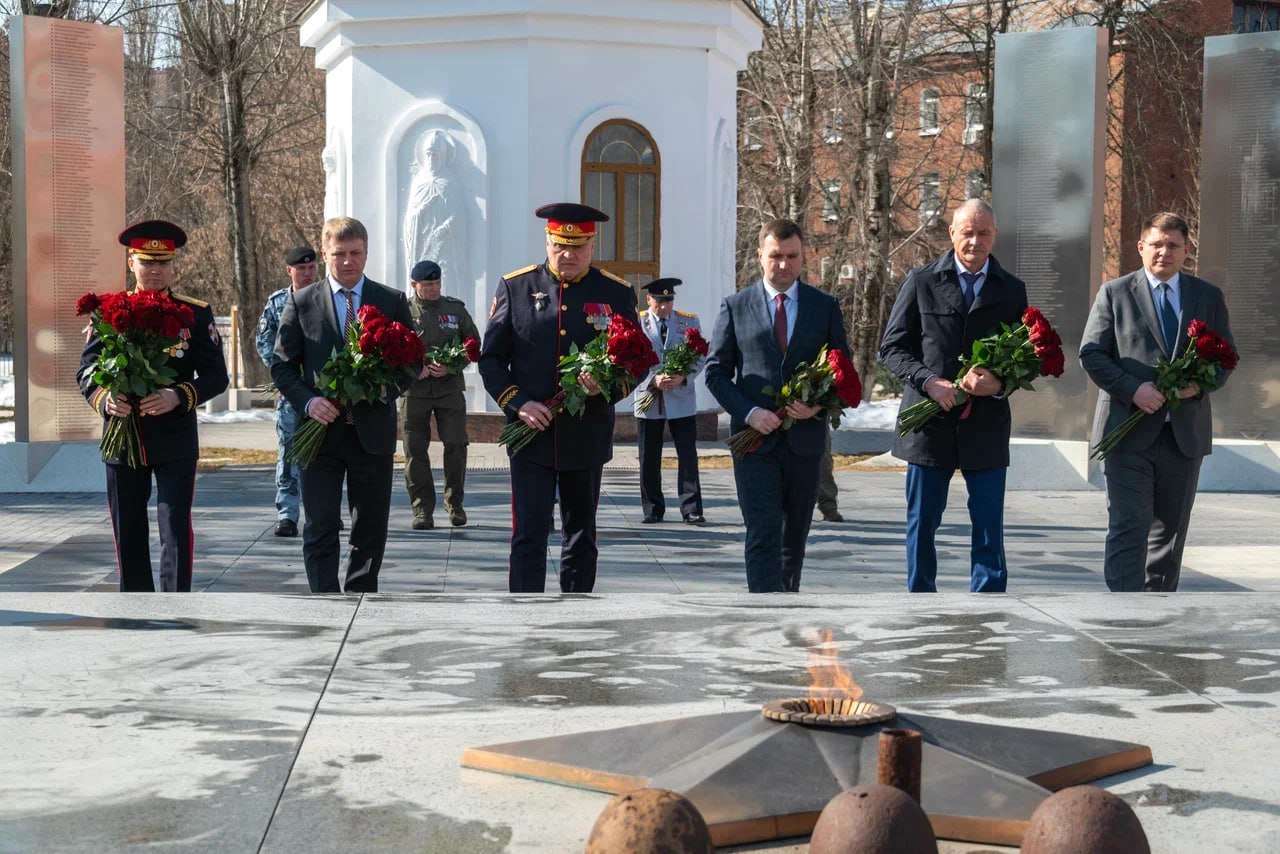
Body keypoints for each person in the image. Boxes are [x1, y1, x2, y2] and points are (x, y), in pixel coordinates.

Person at [478, 202, 641, 593]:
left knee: (581, 537)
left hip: (585, 435)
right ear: (548, 241)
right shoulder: (516, 287)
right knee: (528, 536)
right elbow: (492, 360)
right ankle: (524, 617)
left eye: (578, 246)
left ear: (591, 244)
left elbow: (637, 362)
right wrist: (518, 403)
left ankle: (576, 620)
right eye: (559, 245)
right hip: (531, 436)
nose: (568, 254)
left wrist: (607, 387)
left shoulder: (615, 293)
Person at [879, 198, 1028, 593]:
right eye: (967, 232)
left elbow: (1025, 359)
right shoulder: (922, 281)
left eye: (983, 233)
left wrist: (999, 384)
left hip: (985, 426)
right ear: (952, 233)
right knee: (923, 521)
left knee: (988, 524)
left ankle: (989, 602)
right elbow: (892, 348)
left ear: (995, 236)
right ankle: (920, 599)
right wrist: (928, 381)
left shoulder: (1012, 290)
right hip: (929, 425)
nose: (975, 241)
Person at [1080, 212, 1234, 592]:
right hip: (1127, 432)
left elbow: (1225, 357)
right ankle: (1122, 615)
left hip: (1183, 436)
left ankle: (1158, 621)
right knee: (1129, 524)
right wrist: (1133, 389)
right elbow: (1092, 354)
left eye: (1173, 245)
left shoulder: (1207, 297)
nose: (1164, 252)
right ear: (1141, 247)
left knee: (1170, 532)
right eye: (1157, 244)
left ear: (1186, 250)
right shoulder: (1115, 293)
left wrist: (1196, 386)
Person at [77, 220, 229, 592]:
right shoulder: (111, 311)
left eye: (163, 262)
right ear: (132, 263)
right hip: (124, 435)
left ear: (174, 265)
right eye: (147, 262)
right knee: (127, 525)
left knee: (175, 524)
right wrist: (103, 398)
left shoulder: (195, 314)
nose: (155, 270)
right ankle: (135, 603)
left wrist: (179, 395)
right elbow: (87, 371)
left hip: (174, 436)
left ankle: (176, 602)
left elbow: (216, 376)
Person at [705, 218, 850, 593]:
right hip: (754, 443)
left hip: (804, 444)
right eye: (775, 256)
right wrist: (749, 412)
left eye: (792, 256)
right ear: (760, 256)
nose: (783, 265)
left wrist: (818, 406)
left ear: (804, 257)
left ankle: (788, 611)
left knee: (794, 539)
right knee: (763, 531)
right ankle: (763, 613)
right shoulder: (736, 307)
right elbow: (716, 374)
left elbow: (842, 372)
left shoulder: (824, 307)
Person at [271, 216, 414, 593]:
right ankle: (324, 601)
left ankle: (360, 597)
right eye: (339, 254)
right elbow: (282, 366)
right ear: (325, 253)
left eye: (355, 253)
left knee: (369, 527)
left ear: (366, 253)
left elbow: (412, 361)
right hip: (319, 435)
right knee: (320, 524)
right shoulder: (302, 303)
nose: (348, 261)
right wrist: (309, 401)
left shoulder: (391, 301)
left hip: (372, 433)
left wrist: (384, 389)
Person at [402, 258, 480, 530]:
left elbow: (473, 344)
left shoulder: (454, 310)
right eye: (428, 285)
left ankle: (455, 503)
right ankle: (422, 509)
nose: (434, 289)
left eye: (437, 283)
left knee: (456, 444)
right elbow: (388, 349)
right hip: (415, 392)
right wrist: (413, 370)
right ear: (415, 285)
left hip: (449, 390)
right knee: (415, 451)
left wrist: (451, 365)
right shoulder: (402, 311)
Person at [256, 246, 319, 538]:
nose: (307, 273)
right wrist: (281, 376)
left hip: (322, 390)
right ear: (289, 271)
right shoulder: (278, 302)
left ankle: (322, 509)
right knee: (290, 449)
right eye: (301, 269)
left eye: (311, 268)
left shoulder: (327, 298)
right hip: (290, 390)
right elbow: (264, 340)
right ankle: (287, 513)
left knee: (325, 452)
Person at [634, 278, 705, 526]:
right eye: (660, 301)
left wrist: (683, 376)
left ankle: (691, 508)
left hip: (681, 398)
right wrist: (653, 379)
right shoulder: (638, 322)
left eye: (669, 300)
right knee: (649, 457)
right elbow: (629, 359)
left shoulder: (688, 321)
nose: (665, 307)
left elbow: (700, 356)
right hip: (649, 397)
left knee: (687, 455)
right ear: (649, 299)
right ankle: (652, 508)